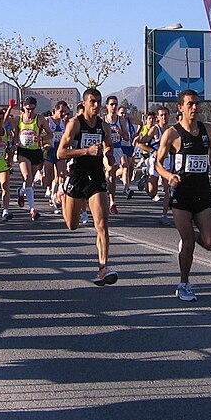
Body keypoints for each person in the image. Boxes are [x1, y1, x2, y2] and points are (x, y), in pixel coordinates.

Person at [155, 90, 211, 301]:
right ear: (180, 108)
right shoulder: (172, 134)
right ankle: (184, 283)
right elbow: (158, 162)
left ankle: (189, 238)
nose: (194, 108)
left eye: (197, 104)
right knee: (189, 242)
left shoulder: (207, 130)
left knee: (210, 242)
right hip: (181, 193)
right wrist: (168, 175)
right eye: (190, 104)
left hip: (202, 191)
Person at [57, 88, 118, 286]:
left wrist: (108, 155)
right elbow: (60, 153)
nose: (96, 105)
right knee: (72, 225)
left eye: (99, 101)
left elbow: (108, 145)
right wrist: (86, 150)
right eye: (92, 101)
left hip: (96, 175)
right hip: (77, 175)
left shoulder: (103, 126)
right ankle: (63, 193)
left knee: (102, 223)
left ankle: (103, 268)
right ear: (84, 103)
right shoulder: (75, 123)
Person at [14, 96, 53, 221]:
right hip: (23, 151)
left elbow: (50, 134)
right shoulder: (19, 119)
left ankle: (21, 191)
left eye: (32, 109)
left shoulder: (40, 118)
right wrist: (13, 148)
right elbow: (15, 135)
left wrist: (41, 138)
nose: (30, 111)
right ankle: (32, 209)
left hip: (35, 152)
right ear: (23, 107)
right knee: (27, 177)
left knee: (29, 181)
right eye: (27, 109)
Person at [43, 100, 70, 212]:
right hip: (49, 152)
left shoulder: (64, 123)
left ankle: (54, 199)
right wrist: (43, 143)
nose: (63, 114)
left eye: (65, 112)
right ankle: (49, 191)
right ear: (54, 111)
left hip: (60, 152)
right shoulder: (47, 121)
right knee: (48, 180)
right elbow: (39, 133)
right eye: (61, 111)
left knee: (61, 175)